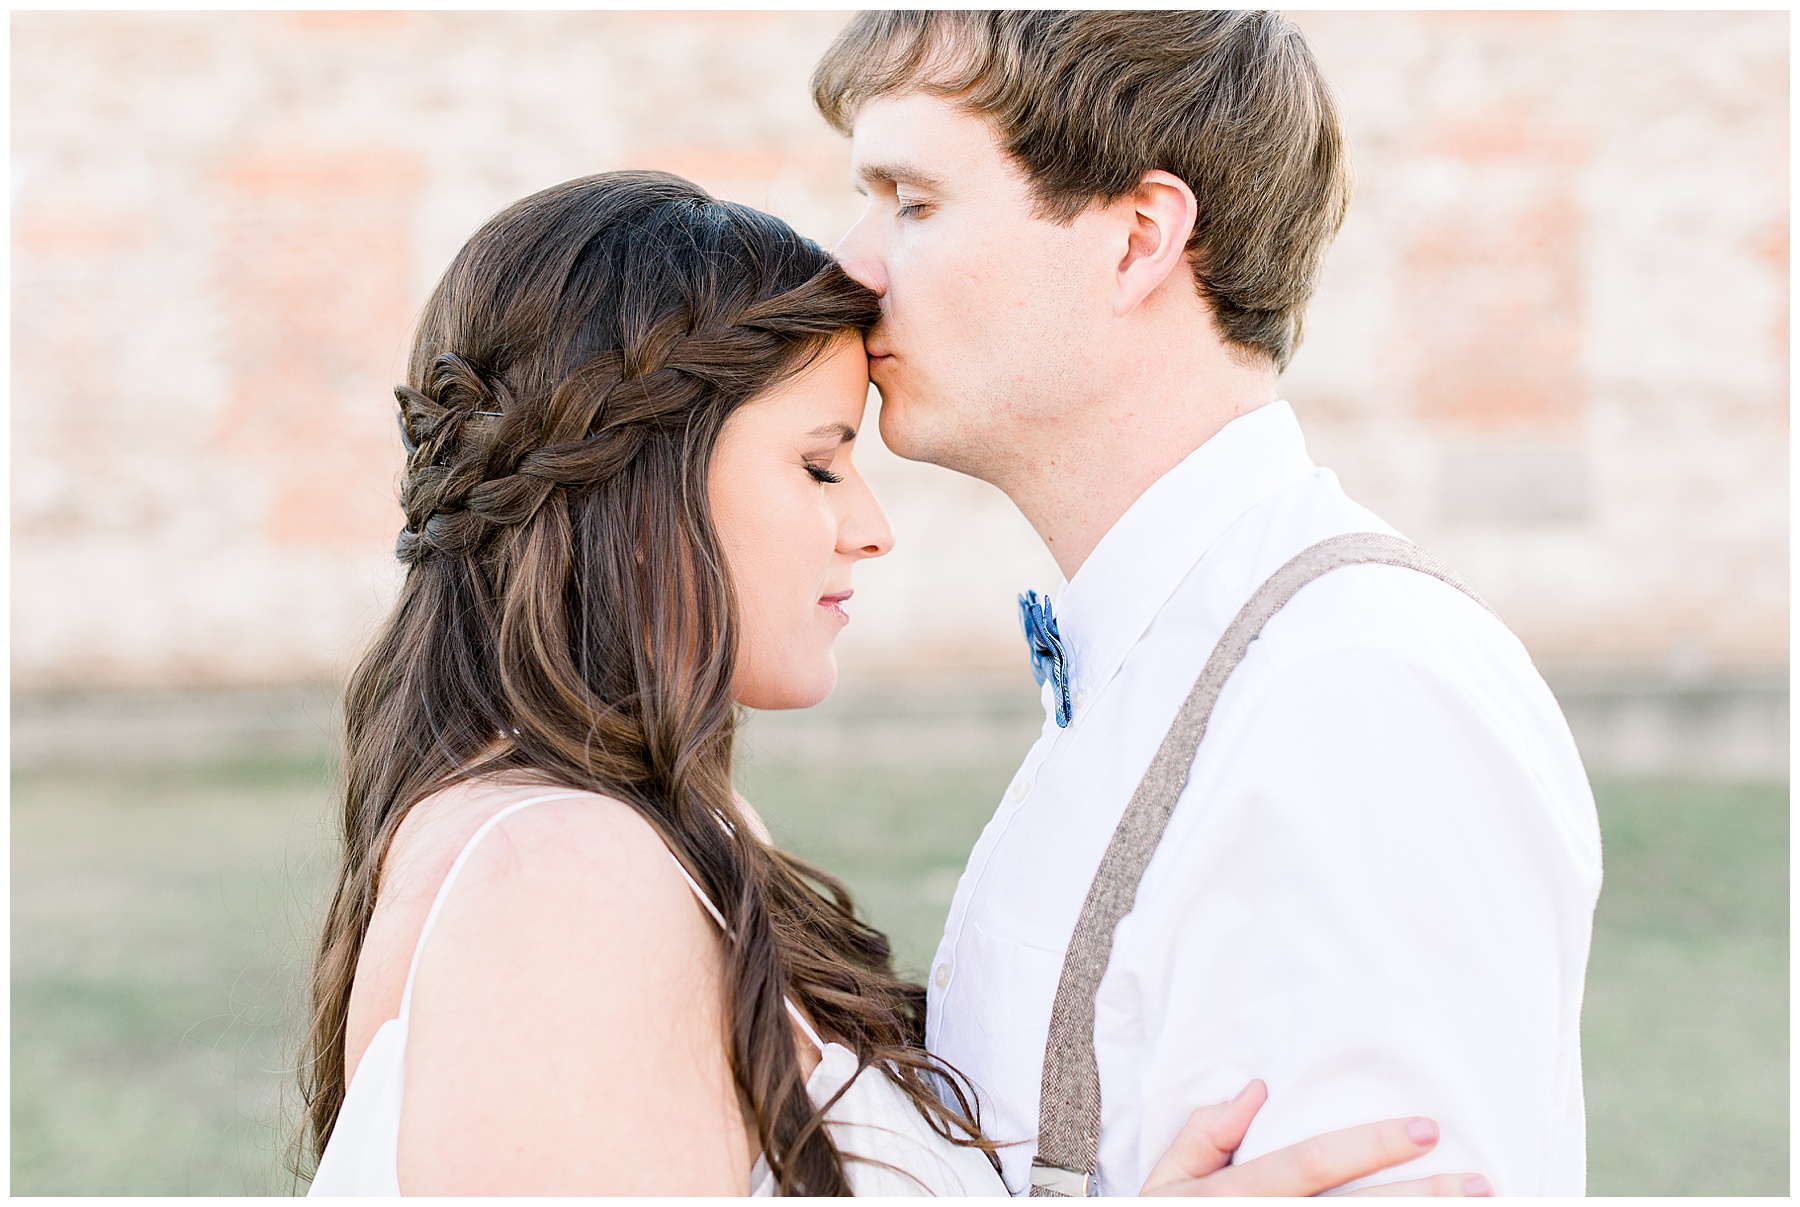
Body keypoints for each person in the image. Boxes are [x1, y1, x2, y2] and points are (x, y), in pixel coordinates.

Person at [295, 172, 1486, 1196]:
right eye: (818, 464)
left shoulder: (647, 835)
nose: (868, 529)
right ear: (639, 490)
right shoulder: (557, 881)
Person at [813, 9, 1602, 1199]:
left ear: (1137, 239)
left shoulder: (1358, 692)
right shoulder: (1170, 661)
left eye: (912, 203)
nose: (853, 266)